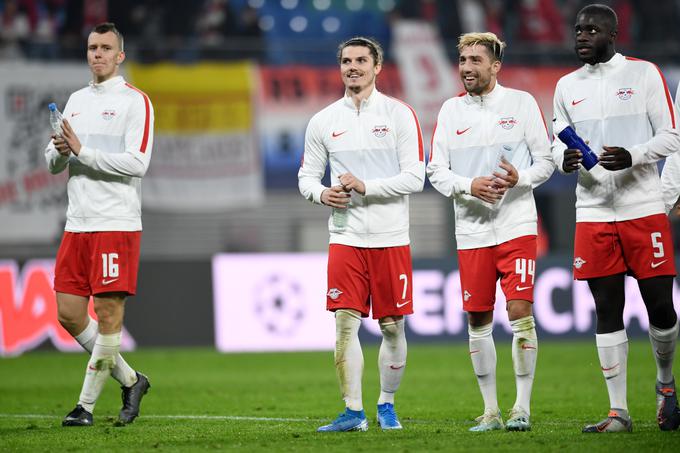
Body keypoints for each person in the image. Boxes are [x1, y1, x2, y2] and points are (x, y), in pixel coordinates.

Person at [552, 4, 680, 433]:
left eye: (591, 30)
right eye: (577, 30)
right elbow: (556, 140)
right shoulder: (566, 86)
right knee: (606, 307)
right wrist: (563, 159)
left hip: (642, 207)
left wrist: (635, 155)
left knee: (660, 305)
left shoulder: (644, 74)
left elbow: (672, 135)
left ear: (612, 33)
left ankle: (665, 384)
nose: (581, 37)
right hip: (592, 212)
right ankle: (618, 412)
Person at [427, 32, 554, 432]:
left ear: (495, 65)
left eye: (475, 60)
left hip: (516, 225)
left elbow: (546, 161)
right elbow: (436, 170)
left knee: (520, 311)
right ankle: (490, 411)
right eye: (462, 59)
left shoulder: (521, 104)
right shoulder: (450, 111)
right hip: (472, 232)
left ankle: (521, 407)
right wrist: (469, 185)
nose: (466, 67)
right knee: (478, 317)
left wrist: (519, 179)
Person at [298, 36, 425, 432]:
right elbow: (305, 177)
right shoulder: (323, 121)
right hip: (346, 236)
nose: (352, 67)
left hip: (390, 237)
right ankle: (353, 412)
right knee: (344, 323)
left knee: (391, 326)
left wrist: (367, 186)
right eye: (346, 61)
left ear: (377, 66)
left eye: (360, 61)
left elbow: (416, 177)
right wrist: (323, 193)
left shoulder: (399, 114)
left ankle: (386, 403)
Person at [45, 22, 154, 427]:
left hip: (115, 221)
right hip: (78, 223)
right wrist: (59, 151)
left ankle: (85, 407)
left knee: (108, 315)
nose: (98, 54)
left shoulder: (135, 102)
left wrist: (82, 151)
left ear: (120, 55)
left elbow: (137, 163)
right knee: (69, 313)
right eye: (92, 47)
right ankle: (131, 379)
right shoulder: (75, 100)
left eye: (106, 48)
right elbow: (53, 163)